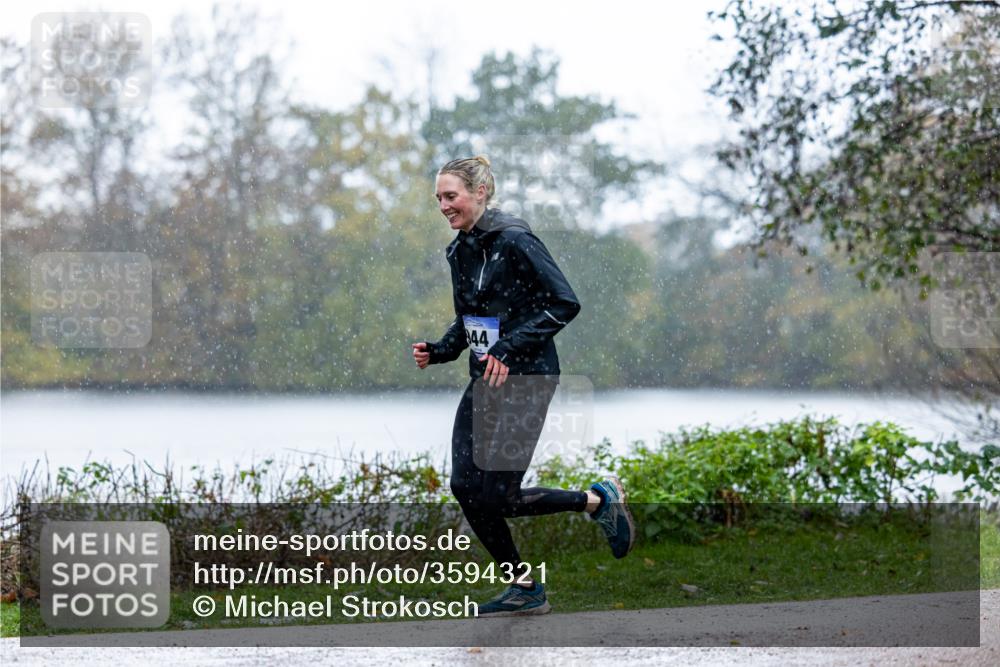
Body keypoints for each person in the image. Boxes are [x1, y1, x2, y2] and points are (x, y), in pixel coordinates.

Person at [411, 155, 635, 618]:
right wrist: (440, 349)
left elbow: (564, 303)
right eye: (438, 198)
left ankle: (596, 502)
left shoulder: (515, 239)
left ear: (480, 193)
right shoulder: (459, 251)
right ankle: (524, 586)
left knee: (502, 497)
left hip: (528, 378)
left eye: (450, 196)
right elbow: (471, 319)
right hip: (485, 380)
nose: (443, 206)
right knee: (464, 486)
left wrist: (509, 350)